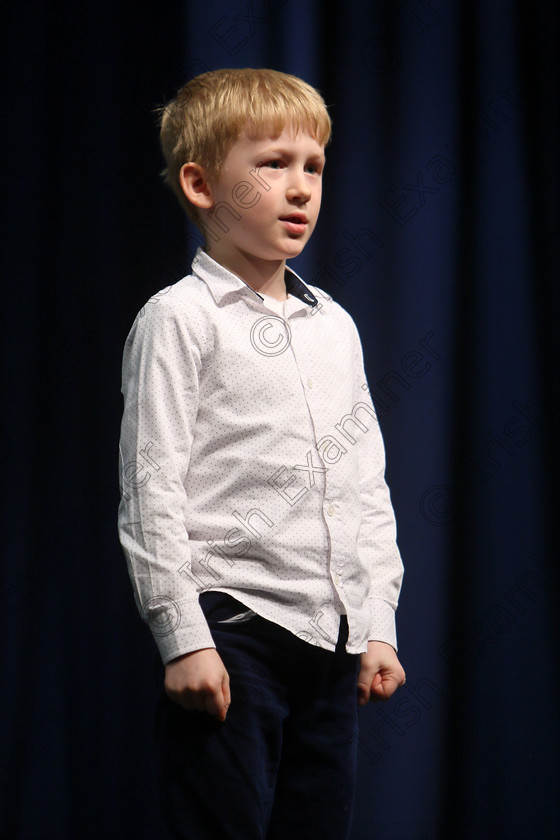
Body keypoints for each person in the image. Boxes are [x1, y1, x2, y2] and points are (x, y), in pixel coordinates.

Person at [118, 67, 405, 840]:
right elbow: (151, 489)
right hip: (234, 627)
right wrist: (183, 637)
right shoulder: (178, 320)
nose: (301, 187)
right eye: (273, 164)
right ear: (202, 183)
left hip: (329, 638)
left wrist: (377, 619)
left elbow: (363, 482)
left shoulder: (334, 325)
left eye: (313, 166)